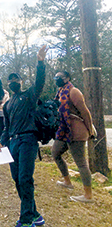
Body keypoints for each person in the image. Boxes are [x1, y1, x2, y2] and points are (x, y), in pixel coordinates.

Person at [0, 45, 48, 227]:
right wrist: (1, 142)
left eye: (15, 79)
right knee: (17, 179)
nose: (13, 82)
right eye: (10, 80)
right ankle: (34, 214)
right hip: (13, 143)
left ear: (20, 81)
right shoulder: (7, 105)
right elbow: (6, 127)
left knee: (26, 178)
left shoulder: (29, 96)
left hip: (28, 140)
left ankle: (26, 220)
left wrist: (40, 62)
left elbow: (40, 82)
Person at [51, 71, 95, 203]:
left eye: (60, 77)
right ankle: (67, 181)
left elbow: (85, 112)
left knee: (81, 162)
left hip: (76, 131)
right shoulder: (60, 91)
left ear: (68, 78)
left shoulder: (74, 91)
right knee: (55, 153)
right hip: (63, 130)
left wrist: (90, 129)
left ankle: (88, 195)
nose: (57, 79)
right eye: (56, 77)